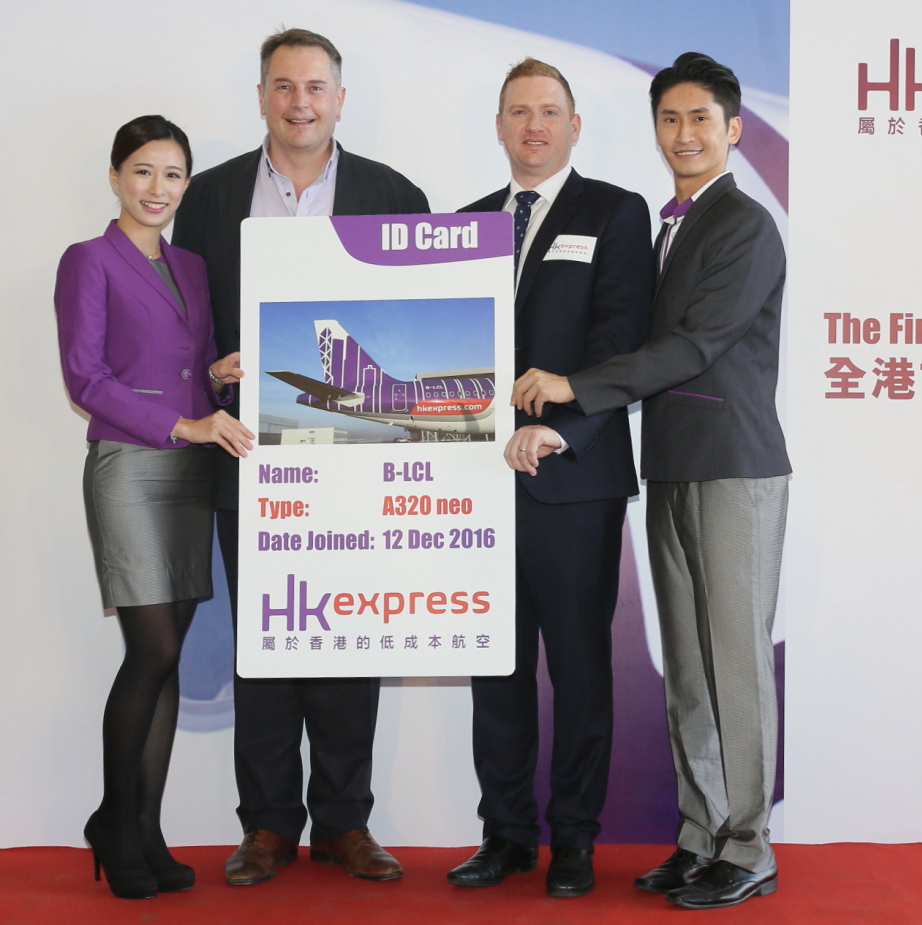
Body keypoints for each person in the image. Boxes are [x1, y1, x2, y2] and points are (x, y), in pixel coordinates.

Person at [511, 52, 790, 910]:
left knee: (734, 660)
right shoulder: (671, 225)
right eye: (670, 119)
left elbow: (692, 346)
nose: (686, 133)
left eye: (702, 118)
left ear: (734, 129)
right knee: (689, 664)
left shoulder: (743, 225)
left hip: (734, 467)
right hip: (669, 463)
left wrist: (574, 387)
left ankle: (749, 843)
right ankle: (702, 833)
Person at [171, 28, 429, 885]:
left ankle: (345, 823)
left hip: (359, 465)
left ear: (340, 99)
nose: (301, 102)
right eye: (284, 87)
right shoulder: (208, 199)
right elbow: (182, 330)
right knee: (268, 642)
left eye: (316, 87)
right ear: (262, 97)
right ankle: (269, 826)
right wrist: (209, 371)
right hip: (250, 458)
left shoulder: (396, 194)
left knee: (352, 638)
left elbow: (421, 334)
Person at [443, 57, 654, 899]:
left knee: (576, 667)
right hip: (478, 484)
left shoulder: (614, 211)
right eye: (518, 112)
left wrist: (558, 432)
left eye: (550, 112)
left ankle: (573, 837)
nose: (534, 125)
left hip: (573, 482)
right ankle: (504, 833)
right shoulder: (463, 225)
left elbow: (621, 340)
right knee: (493, 668)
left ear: (575, 126)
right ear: (498, 126)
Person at [56, 115, 255, 899]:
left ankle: (145, 826)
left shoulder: (194, 267)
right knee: (151, 650)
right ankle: (113, 817)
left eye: (173, 175)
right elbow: (87, 378)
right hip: (131, 467)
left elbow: (185, 370)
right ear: (115, 176)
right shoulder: (88, 260)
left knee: (167, 652)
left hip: (191, 468)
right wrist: (184, 420)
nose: (157, 189)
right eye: (143, 172)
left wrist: (220, 376)